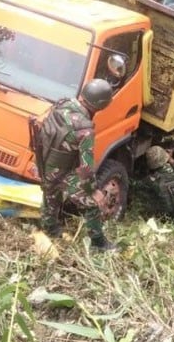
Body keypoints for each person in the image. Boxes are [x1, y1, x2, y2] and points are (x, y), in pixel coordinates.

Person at [36, 79, 117, 251]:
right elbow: (86, 169)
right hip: (61, 171)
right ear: (101, 106)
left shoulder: (61, 105)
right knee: (92, 203)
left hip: (45, 164)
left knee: (51, 194)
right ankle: (98, 243)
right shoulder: (84, 130)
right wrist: (93, 191)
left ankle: (49, 227)